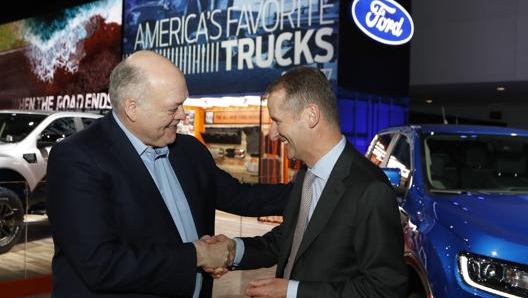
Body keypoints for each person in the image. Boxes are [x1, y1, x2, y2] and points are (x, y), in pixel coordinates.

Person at [46, 50, 291, 298]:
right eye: (173, 107)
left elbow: (241, 197)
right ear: (132, 108)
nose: (183, 116)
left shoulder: (189, 150)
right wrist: (197, 255)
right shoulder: (77, 158)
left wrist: (314, 188)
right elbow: (100, 264)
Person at [226, 66, 409, 298]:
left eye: (277, 120)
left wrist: (293, 291)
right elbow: (289, 239)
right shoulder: (306, 175)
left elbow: (386, 289)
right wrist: (233, 250)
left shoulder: (370, 190)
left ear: (311, 116)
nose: (272, 134)